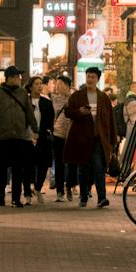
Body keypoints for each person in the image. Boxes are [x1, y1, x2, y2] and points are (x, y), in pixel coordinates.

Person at [63, 65, 117, 208]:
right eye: (88, 76)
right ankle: (83, 196)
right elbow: (67, 112)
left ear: (98, 79)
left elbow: (110, 120)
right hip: (81, 138)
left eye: (93, 77)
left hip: (98, 138)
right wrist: (79, 112)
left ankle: (102, 197)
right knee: (83, 169)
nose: (90, 79)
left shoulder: (103, 98)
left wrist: (112, 140)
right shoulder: (78, 95)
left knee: (99, 168)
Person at [0, 65, 37, 207]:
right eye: (16, 77)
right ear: (8, 78)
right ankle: (1, 195)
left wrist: (35, 128)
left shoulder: (22, 94)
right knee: (2, 168)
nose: (19, 79)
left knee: (17, 168)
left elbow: (29, 113)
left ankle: (16, 198)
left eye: (19, 77)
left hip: (20, 136)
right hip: (3, 136)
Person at [27, 75, 54, 199]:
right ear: (31, 86)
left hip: (42, 137)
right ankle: (29, 190)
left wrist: (43, 132)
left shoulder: (47, 102)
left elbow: (50, 121)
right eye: (36, 84)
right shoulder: (25, 101)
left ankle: (38, 188)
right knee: (28, 165)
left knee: (43, 165)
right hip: (27, 136)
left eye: (41, 84)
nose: (39, 86)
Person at [50, 73, 75, 201]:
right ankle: (60, 191)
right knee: (59, 163)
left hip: (71, 135)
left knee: (71, 163)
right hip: (58, 133)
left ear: (68, 86)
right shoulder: (53, 99)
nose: (57, 87)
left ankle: (69, 186)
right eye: (56, 84)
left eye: (60, 84)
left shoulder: (74, 99)